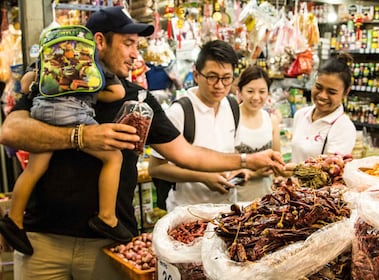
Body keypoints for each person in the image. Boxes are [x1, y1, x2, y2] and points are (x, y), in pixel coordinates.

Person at [0, 6, 284, 279]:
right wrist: (82, 136)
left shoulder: (137, 98)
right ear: (100, 41)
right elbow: (11, 131)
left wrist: (248, 160)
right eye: (128, 43)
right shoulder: (54, 81)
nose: (136, 54)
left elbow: (185, 153)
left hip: (108, 245)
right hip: (42, 242)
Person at [0, 51, 132, 256]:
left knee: (35, 168)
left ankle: (14, 220)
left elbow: (25, 86)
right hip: (73, 114)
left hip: (41, 114)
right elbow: (118, 93)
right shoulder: (92, 60)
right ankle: (107, 217)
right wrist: (93, 92)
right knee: (114, 157)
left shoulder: (47, 60)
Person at [148, 40, 245, 212]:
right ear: (196, 74)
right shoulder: (180, 111)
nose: (219, 85)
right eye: (212, 77)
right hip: (188, 212)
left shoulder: (232, 106)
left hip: (227, 209)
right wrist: (203, 178)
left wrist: (237, 172)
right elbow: (156, 168)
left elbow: (232, 153)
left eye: (226, 78)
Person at [291, 52, 356, 163]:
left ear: (346, 92)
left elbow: (330, 171)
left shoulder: (343, 128)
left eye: (331, 92)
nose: (322, 95)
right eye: (318, 87)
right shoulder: (301, 115)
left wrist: (293, 170)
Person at [233, 65, 281, 202]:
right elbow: (221, 166)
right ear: (240, 92)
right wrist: (255, 174)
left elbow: (277, 161)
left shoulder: (271, 121)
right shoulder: (231, 120)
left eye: (262, 91)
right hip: (236, 200)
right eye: (250, 91)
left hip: (266, 199)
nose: (256, 97)